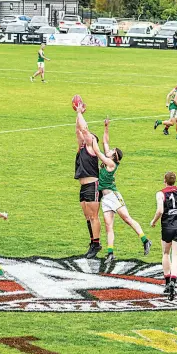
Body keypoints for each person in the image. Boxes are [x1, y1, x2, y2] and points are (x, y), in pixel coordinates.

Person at [92, 118, 152, 264]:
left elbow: (98, 152)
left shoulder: (110, 163)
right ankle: (110, 253)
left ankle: (145, 240)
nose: (110, 149)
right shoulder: (110, 158)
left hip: (113, 195)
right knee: (108, 226)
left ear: (114, 156)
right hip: (105, 198)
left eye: (112, 151)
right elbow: (105, 142)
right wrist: (106, 127)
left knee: (127, 219)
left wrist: (91, 139)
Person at [150, 172, 177, 301]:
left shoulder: (161, 193)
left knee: (165, 253)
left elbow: (160, 211)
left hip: (167, 226)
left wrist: (154, 221)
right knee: (176, 256)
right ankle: (174, 282)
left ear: (165, 180)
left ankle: (167, 282)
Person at [75, 105, 102, 259]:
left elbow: (84, 130)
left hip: (92, 185)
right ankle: (92, 242)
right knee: (87, 217)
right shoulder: (82, 147)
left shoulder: (92, 148)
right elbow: (78, 130)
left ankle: (96, 244)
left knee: (93, 216)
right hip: (83, 186)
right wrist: (77, 116)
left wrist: (79, 112)